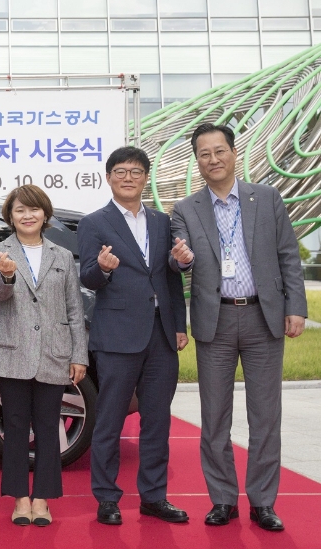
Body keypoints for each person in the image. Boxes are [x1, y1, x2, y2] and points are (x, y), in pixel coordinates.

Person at [171, 123, 307, 532]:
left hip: (263, 317)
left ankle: (263, 502)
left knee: (266, 416)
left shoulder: (266, 198)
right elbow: (179, 261)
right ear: (197, 160)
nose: (212, 159)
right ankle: (223, 499)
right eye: (204, 153)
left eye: (219, 151)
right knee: (214, 417)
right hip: (216, 319)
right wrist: (183, 258)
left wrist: (295, 306)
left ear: (233, 153)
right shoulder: (185, 209)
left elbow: (288, 256)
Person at [77, 146, 190, 526]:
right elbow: (88, 277)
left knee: (158, 420)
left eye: (136, 171)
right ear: (109, 177)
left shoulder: (162, 221)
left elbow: (170, 275)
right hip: (117, 335)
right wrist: (103, 269)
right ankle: (107, 498)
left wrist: (179, 326)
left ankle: (154, 496)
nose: (129, 178)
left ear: (146, 177)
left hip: (160, 335)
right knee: (109, 421)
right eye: (121, 171)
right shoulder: (94, 223)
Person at [0, 185, 88, 527]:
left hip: (55, 353)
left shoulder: (61, 255)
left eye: (34, 210)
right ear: (10, 216)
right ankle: (20, 499)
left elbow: (74, 308)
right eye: (19, 210)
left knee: (47, 427)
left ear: (45, 214)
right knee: (14, 429)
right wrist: (8, 274)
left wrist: (79, 355)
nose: (27, 215)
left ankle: (42, 498)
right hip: (12, 352)